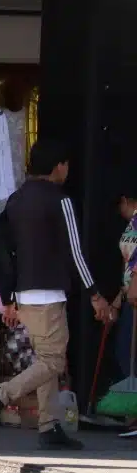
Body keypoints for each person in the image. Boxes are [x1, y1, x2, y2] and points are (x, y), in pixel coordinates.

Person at [0, 138, 110, 451]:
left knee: (45, 360)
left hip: (23, 295)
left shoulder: (16, 200)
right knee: (53, 361)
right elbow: (75, 253)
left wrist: (8, 296)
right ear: (58, 166)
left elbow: (2, 250)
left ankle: (49, 426)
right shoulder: (60, 200)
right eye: (66, 164)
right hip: (50, 293)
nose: (67, 170)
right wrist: (95, 294)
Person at [110, 185, 137, 439]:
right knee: (124, 350)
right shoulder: (131, 225)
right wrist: (119, 298)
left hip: (136, 295)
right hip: (129, 295)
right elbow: (127, 266)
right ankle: (132, 412)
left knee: (128, 350)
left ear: (125, 199)